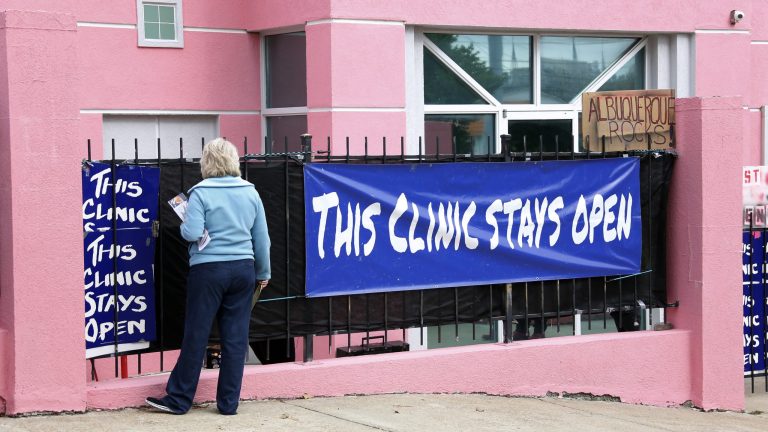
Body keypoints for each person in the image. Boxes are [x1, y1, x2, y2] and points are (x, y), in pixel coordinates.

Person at [146, 138, 271, 415]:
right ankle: (228, 404)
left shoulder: (200, 193)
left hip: (209, 271)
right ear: (233, 160)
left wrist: (186, 223)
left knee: (197, 334)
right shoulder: (251, 192)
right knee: (236, 339)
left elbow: (192, 233)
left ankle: (179, 399)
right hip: (243, 270)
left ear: (207, 162)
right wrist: (263, 273)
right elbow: (262, 239)